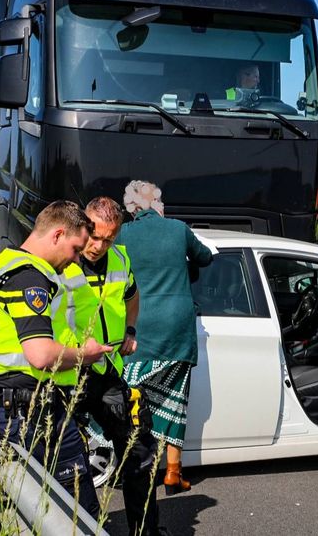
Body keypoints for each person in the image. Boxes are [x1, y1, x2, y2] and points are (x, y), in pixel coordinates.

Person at [0, 200, 113, 518]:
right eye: (75, 248)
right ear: (58, 234)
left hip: (4, 407)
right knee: (78, 514)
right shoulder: (28, 278)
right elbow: (41, 354)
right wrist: (87, 355)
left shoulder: (0, 266)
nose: (75, 259)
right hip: (32, 415)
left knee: (27, 511)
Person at [55, 196, 163, 535]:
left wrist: (131, 330)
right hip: (66, 374)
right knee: (68, 460)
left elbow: (132, 296)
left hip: (105, 372)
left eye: (109, 238)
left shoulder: (119, 259)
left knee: (139, 450)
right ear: (83, 226)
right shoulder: (62, 261)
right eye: (95, 236)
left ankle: (144, 531)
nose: (99, 246)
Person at [118, 180, 214, 494]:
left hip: (140, 332)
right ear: (158, 204)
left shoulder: (124, 235)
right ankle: (173, 474)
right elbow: (205, 257)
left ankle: (131, 467)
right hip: (176, 330)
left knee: (130, 401)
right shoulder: (178, 230)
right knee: (176, 402)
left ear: (131, 209)